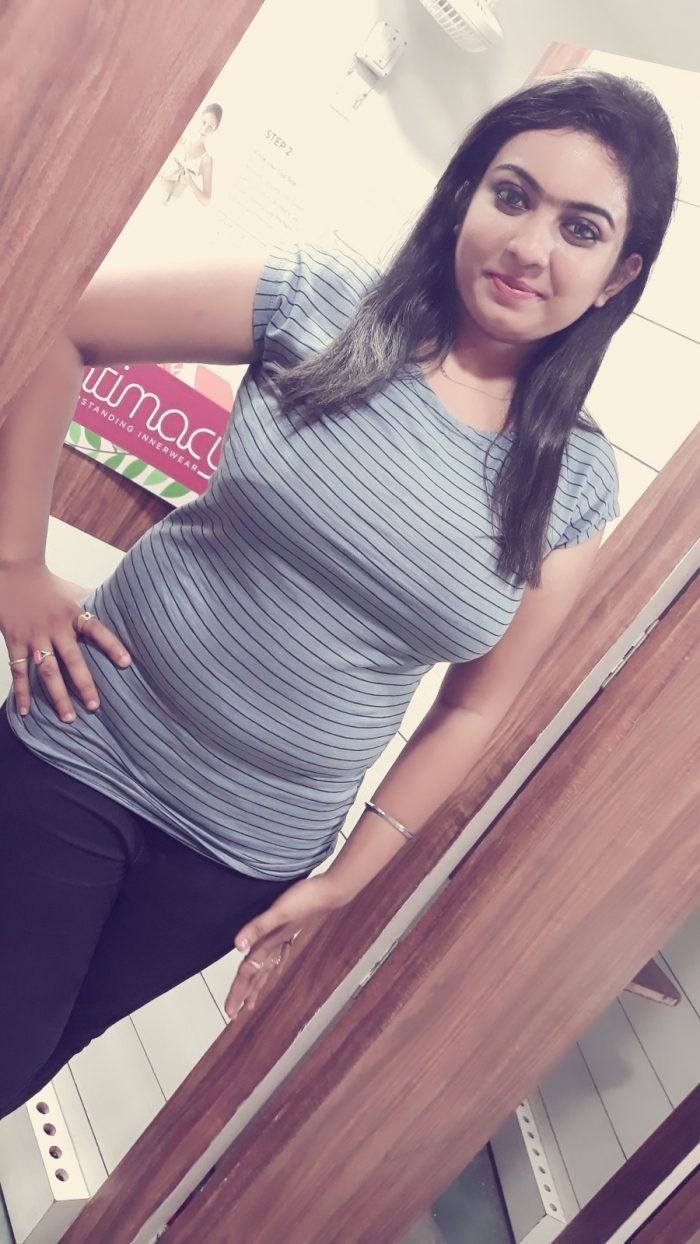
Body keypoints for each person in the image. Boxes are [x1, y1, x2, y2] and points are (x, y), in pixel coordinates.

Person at [0, 70, 678, 1120]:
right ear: (465, 195)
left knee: (34, 1061)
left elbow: (474, 706)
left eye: (579, 228)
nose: (529, 245)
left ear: (615, 275)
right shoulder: (317, 297)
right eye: (512, 196)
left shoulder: (576, 483)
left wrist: (346, 877)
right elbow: (64, 326)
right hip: (88, 741)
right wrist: (14, 566)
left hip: (240, 855)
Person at [159, 103, 223, 206]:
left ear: (214, 130)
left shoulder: (206, 160)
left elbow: (206, 201)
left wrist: (191, 183)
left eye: (210, 127)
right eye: (203, 122)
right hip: (153, 194)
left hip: (172, 206)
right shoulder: (179, 140)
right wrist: (167, 176)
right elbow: (151, 166)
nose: (204, 129)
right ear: (199, 118)